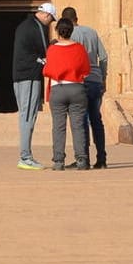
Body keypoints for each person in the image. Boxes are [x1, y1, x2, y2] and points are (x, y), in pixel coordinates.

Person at [62, 6, 109, 169]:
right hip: (95, 79)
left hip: (79, 80)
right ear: (77, 17)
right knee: (96, 119)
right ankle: (102, 158)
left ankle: (83, 158)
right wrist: (103, 77)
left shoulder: (69, 35)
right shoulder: (92, 32)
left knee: (80, 120)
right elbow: (103, 56)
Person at [43, 17, 92, 171]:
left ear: (57, 31)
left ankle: (58, 161)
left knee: (58, 126)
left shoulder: (52, 49)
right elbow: (86, 70)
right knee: (78, 126)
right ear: (72, 31)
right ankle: (82, 160)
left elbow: (47, 71)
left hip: (58, 89)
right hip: (77, 88)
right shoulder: (79, 48)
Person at [12, 3, 56, 169]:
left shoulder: (24, 25)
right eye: (51, 20)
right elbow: (44, 52)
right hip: (29, 75)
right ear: (45, 15)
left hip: (20, 75)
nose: (50, 23)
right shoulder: (36, 27)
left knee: (26, 115)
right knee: (28, 116)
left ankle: (26, 155)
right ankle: (25, 156)